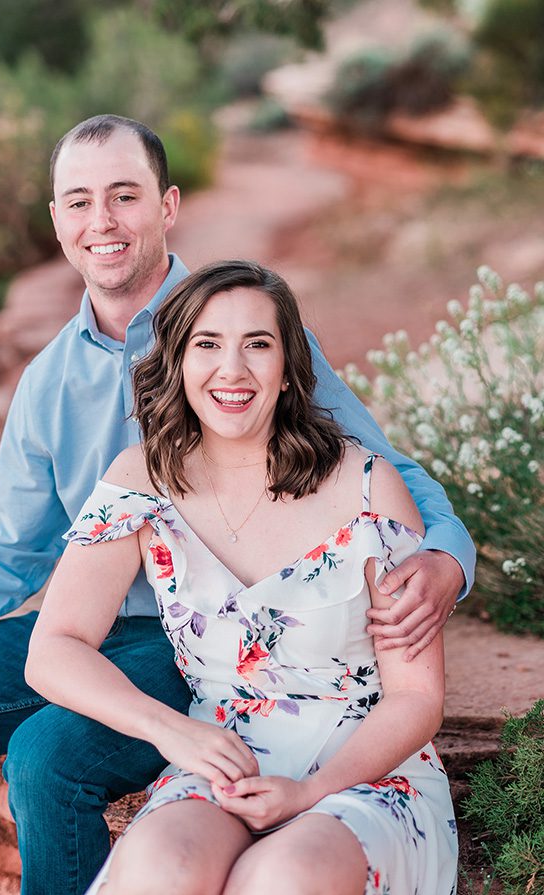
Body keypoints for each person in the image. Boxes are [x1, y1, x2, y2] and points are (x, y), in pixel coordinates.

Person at [0, 116, 474, 895]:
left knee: (43, 756)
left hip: (185, 641)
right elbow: (8, 551)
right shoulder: (51, 382)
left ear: (167, 206)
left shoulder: (245, 323)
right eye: (80, 201)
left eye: (124, 196)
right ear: (57, 218)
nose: (103, 222)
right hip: (100, 620)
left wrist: (445, 556)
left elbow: (376, 469)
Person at [28, 259, 456, 894]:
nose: (232, 370)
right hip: (219, 758)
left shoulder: (366, 485)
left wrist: (310, 791)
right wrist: (172, 731)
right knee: (160, 867)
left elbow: (417, 698)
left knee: (285, 876)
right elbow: (53, 649)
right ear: (177, 362)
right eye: (207, 344)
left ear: (288, 371)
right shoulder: (140, 480)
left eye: (258, 344)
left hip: (363, 772)